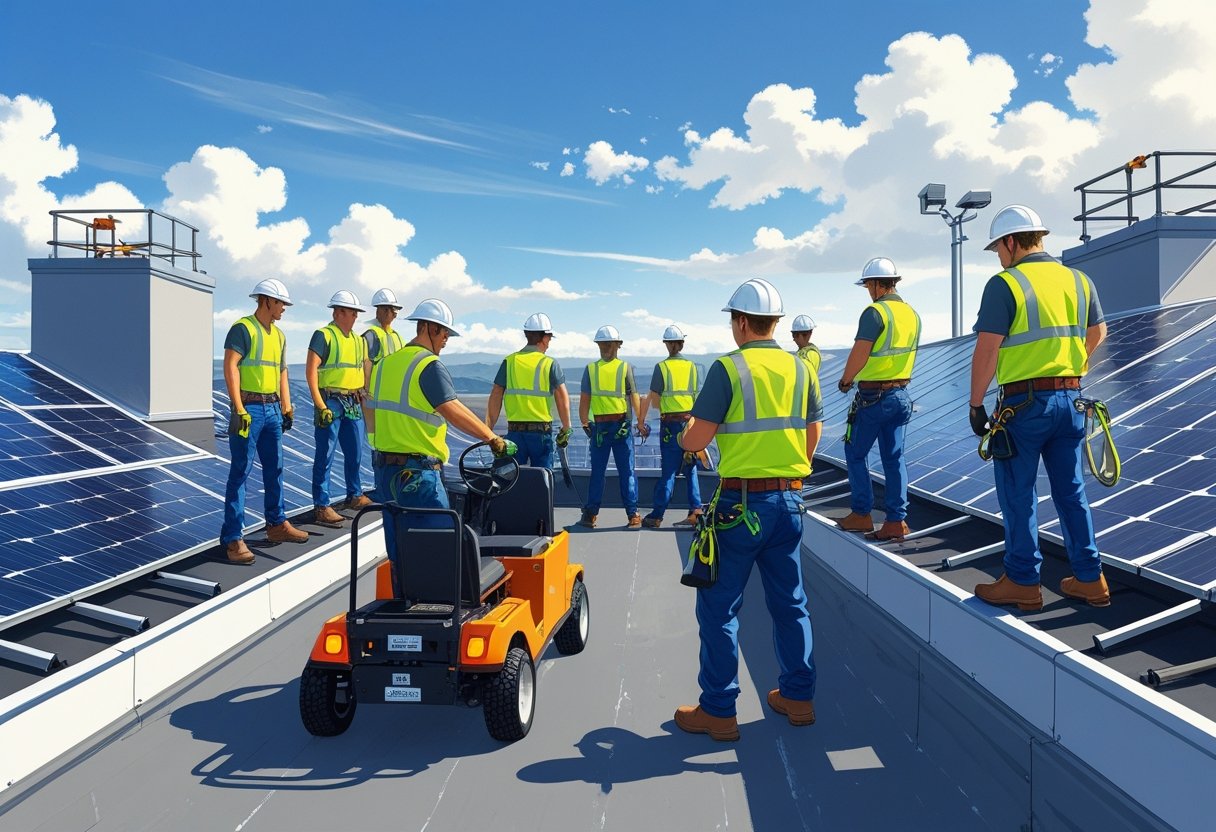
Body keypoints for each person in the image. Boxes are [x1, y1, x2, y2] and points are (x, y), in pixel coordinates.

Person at [674, 277, 822, 742]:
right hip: (789, 502)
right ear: (775, 323)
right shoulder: (803, 369)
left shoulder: (728, 368)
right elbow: (812, 433)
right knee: (791, 604)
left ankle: (719, 711)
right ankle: (798, 698)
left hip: (738, 508)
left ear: (740, 323)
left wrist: (685, 436)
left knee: (720, 610)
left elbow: (697, 439)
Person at [968, 205, 1109, 611]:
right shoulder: (1078, 280)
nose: (998, 256)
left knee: (1018, 492)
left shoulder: (1006, 284)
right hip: (1071, 400)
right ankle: (1090, 578)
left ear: (1012, 243)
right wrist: (1070, 370)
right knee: (1071, 492)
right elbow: (1098, 332)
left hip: (1024, 406)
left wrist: (977, 405)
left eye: (998, 248)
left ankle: (1023, 581)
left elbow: (987, 349)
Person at [365, 298, 512, 587]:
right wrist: (492, 438)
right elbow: (452, 409)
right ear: (429, 328)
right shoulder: (428, 365)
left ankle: (405, 601)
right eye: (444, 333)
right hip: (418, 475)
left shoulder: (383, 365)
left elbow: (370, 413)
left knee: (400, 548)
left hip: (385, 472)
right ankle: (437, 609)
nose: (446, 340)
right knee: (437, 545)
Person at [219, 279, 309, 564]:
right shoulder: (243, 329)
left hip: (272, 409)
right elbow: (230, 365)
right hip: (250, 409)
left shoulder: (279, 336)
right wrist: (239, 408)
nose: (283, 308)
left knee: (276, 468)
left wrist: (287, 404)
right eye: (281, 303)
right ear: (267, 301)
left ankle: (277, 525)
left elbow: (281, 371)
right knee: (241, 472)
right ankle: (233, 538)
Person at [835, 257, 922, 541]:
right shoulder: (912, 314)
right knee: (894, 458)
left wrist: (846, 381)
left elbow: (860, 353)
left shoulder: (875, 313)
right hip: (900, 396)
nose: (867, 290)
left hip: (874, 396)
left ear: (875, 285)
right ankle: (896, 521)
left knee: (855, 452)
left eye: (867, 285)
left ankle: (861, 514)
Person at [307, 290, 370, 528]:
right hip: (330, 401)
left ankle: (354, 495)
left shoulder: (358, 340)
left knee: (355, 453)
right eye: (352, 312)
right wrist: (320, 404)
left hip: (353, 401)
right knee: (325, 454)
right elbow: (311, 370)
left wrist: (364, 390)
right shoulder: (324, 335)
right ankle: (322, 506)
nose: (355, 316)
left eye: (356, 313)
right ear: (338, 312)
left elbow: (363, 367)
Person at [483, 313, 573, 469]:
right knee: (543, 480)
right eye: (549, 339)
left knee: (512, 481)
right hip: (540, 435)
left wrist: (487, 430)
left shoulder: (510, 361)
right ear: (544, 338)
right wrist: (566, 428)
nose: (549, 343)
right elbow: (562, 396)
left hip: (514, 434)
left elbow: (496, 394)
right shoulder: (549, 363)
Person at [637, 325, 703, 528]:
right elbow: (697, 397)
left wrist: (641, 420)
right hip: (690, 424)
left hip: (670, 426)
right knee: (691, 470)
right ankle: (695, 513)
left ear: (666, 345)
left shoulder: (662, 368)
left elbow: (655, 401)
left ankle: (657, 516)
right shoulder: (693, 367)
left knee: (668, 472)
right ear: (682, 344)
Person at [577, 325, 642, 529]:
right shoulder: (625, 368)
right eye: (603, 344)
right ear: (618, 345)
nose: (605, 347)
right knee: (626, 471)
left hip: (602, 428)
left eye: (606, 343)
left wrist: (584, 423)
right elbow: (633, 396)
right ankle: (633, 515)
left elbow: (585, 400)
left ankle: (591, 515)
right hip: (618, 427)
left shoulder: (591, 369)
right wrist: (639, 422)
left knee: (600, 472)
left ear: (616, 345)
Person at [362, 288, 406, 386]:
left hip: (394, 388)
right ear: (378, 311)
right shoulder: (371, 333)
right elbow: (366, 364)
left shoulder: (398, 337)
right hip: (375, 390)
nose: (390, 313)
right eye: (386, 309)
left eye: (393, 310)